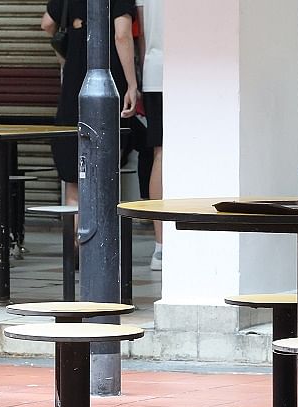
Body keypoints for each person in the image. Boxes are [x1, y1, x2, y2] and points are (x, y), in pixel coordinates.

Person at [41, 0, 139, 219]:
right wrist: (132, 84)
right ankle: (102, 244)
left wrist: (65, 60)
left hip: (73, 81)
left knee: (74, 174)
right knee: (104, 169)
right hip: (107, 79)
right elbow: (121, 34)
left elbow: (47, 23)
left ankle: (76, 247)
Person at [136, 0, 164, 271]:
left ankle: (161, 246)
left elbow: (142, 33)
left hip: (155, 71)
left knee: (161, 153)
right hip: (195, 73)